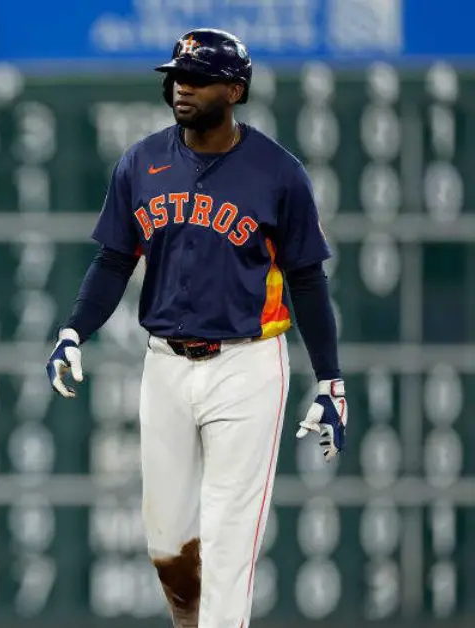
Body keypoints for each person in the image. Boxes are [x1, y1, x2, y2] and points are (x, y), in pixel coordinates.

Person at [45, 29, 348, 627]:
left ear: (234, 90)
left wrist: (330, 380)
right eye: (178, 75)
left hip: (248, 364)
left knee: (231, 538)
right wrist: (74, 330)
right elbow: (113, 260)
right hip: (164, 363)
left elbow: (308, 281)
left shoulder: (277, 173)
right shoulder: (142, 161)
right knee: (169, 545)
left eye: (200, 77)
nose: (183, 86)